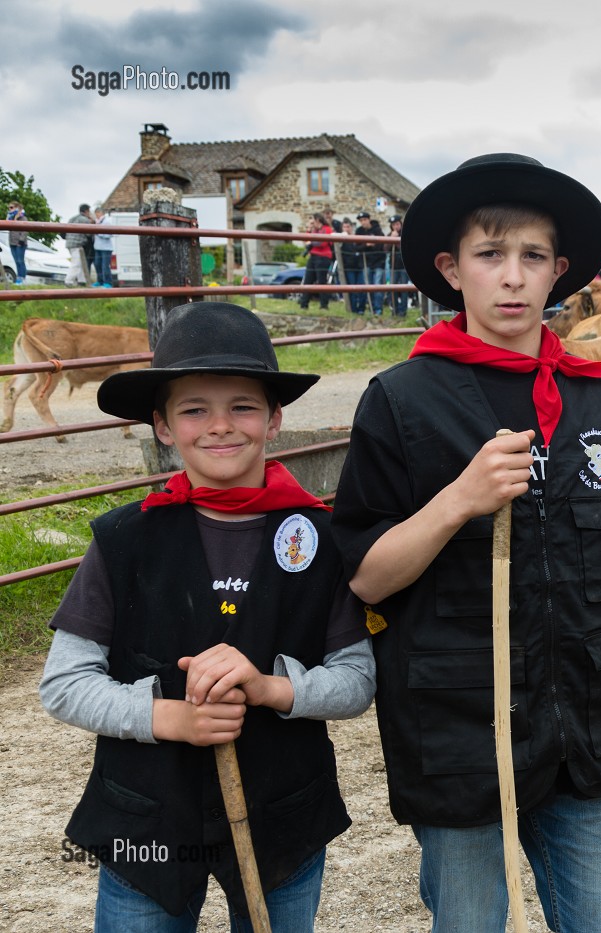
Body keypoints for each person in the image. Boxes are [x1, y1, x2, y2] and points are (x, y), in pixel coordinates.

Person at [331, 153, 601, 931]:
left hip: (582, 719)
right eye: (490, 255)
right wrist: (457, 501)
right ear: (452, 269)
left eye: (532, 256)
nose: (512, 277)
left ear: (560, 272)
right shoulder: (400, 400)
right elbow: (367, 580)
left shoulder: (596, 396)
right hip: (458, 723)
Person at [39, 301, 375, 931]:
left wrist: (272, 687)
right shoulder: (124, 541)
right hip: (147, 818)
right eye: (194, 409)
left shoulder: (319, 539)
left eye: (243, 406)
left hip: (283, 814)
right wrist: (173, 717)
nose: (221, 426)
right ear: (163, 426)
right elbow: (64, 684)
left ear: (275, 420)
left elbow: (356, 681)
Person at [299, 215, 334, 310]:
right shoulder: (314, 230)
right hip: (313, 256)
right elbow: (306, 240)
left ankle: (324, 305)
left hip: (323, 257)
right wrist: (309, 229)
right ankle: (304, 304)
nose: (312, 223)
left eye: (313, 221)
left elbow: (323, 243)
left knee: (322, 281)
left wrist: (311, 242)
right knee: (308, 281)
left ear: (318, 220)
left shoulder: (327, 229)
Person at [356, 212, 387, 316]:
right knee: (368, 286)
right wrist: (367, 245)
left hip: (378, 262)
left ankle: (378, 309)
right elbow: (356, 247)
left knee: (377, 286)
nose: (363, 222)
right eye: (361, 220)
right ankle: (371, 307)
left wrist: (371, 245)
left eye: (365, 219)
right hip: (366, 262)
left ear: (369, 219)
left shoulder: (377, 230)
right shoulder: (359, 231)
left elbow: (381, 245)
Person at [65, 203, 94, 286]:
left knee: (81, 262)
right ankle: (68, 281)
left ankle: (82, 280)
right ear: (86, 211)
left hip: (69, 243)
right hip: (77, 244)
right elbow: (89, 233)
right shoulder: (85, 220)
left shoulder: (72, 218)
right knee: (76, 263)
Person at [386, 215, 409, 317]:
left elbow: (406, 247)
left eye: (397, 224)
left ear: (400, 224)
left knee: (404, 289)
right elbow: (385, 248)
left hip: (404, 266)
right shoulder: (390, 234)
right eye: (393, 225)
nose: (396, 226)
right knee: (393, 288)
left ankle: (403, 311)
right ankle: (394, 309)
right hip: (393, 266)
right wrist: (391, 239)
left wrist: (396, 241)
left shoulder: (405, 233)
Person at [90, 208, 115, 288]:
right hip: (97, 247)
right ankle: (99, 281)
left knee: (105, 266)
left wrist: (99, 234)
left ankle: (108, 282)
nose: (96, 215)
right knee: (97, 264)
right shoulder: (97, 222)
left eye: (97, 213)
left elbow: (110, 234)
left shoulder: (107, 221)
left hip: (106, 248)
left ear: (101, 213)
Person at [7, 200, 29, 283]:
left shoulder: (23, 218)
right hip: (12, 242)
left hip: (20, 243)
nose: (10, 209)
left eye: (11, 207)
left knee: (20, 261)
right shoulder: (11, 218)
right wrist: (11, 218)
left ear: (17, 208)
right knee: (16, 261)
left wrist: (21, 240)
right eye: (9, 208)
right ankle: (19, 277)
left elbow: (25, 231)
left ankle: (22, 278)